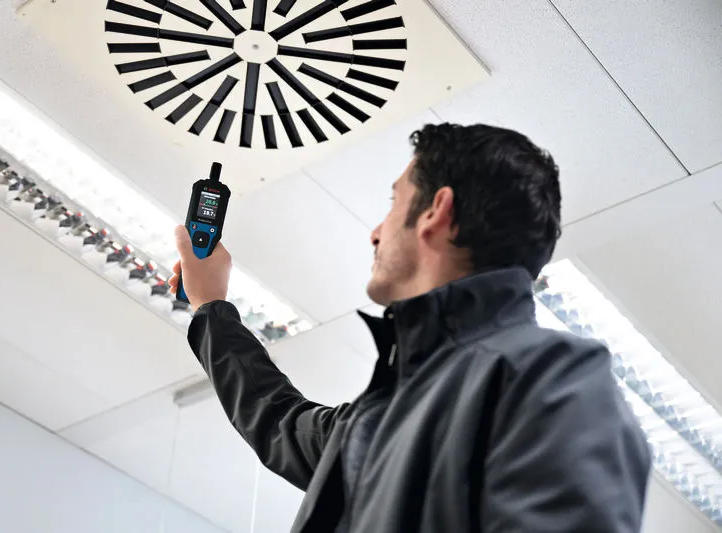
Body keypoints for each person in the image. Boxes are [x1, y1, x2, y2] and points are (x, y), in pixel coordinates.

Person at [168, 123, 652, 532]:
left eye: (393, 202)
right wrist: (211, 307)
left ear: (436, 211)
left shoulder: (551, 378)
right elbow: (278, 422)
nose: (375, 232)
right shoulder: (381, 417)